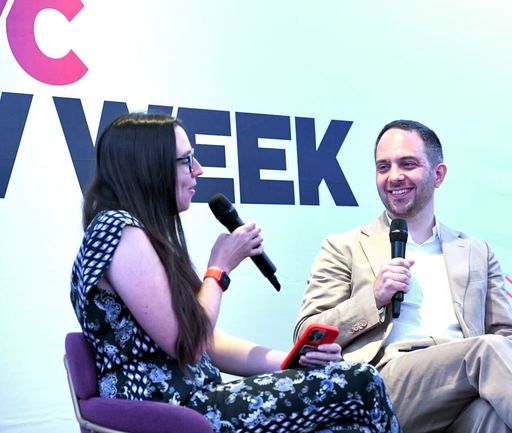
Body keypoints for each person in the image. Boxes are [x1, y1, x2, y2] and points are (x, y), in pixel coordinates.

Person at [69, 112, 401, 433]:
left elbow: (209, 341)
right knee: (362, 380)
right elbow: (188, 345)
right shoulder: (118, 230)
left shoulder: (144, 235)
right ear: (149, 169)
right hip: (172, 410)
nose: (198, 169)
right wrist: (219, 270)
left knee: (349, 424)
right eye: (186, 160)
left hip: (196, 401)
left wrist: (293, 360)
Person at [294, 119, 512, 433]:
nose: (394, 176)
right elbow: (307, 333)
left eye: (408, 164)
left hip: (464, 386)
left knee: (497, 415)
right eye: (383, 167)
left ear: (438, 175)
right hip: (386, 385)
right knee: (486, 350)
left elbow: (502, 331)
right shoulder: (344, 246)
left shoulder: (475, 251)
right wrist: (372, 298)